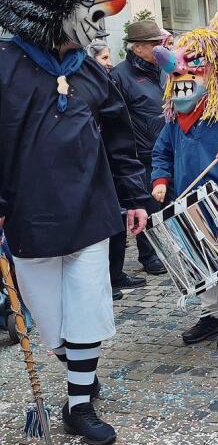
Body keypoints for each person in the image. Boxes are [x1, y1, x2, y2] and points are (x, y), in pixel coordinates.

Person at [0, 0, 149, 445]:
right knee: (52, 326)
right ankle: (79, 368)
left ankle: (78, 403)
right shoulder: (6, 68)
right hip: (28, 219)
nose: (100, 23)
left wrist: (133, 199)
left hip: (91, 212)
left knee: (87, 310)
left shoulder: (93, 73)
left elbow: (121, 142)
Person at [151, 14, 218, 352]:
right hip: (190, 202)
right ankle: (212, 314)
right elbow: (161, 152)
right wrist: (161, 180)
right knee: (204, 257)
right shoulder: (175, 117)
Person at [110, 20, 168, 279]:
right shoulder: (120, 76)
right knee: (148, 205)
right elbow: (116, 120)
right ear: (139, 48)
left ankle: (169, 250)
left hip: (165, 149)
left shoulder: (165, 70)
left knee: (168, 203)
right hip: (142, 154)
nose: (161, 47)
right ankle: (149, 254)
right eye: (156, 44)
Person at [86, 40, 132, 301]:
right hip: (96, 170)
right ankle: (106, 280)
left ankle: (115, 275)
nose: (109, 63)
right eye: (104, 58)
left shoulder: (106, 85)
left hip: (112, 167)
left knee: (117, 225)